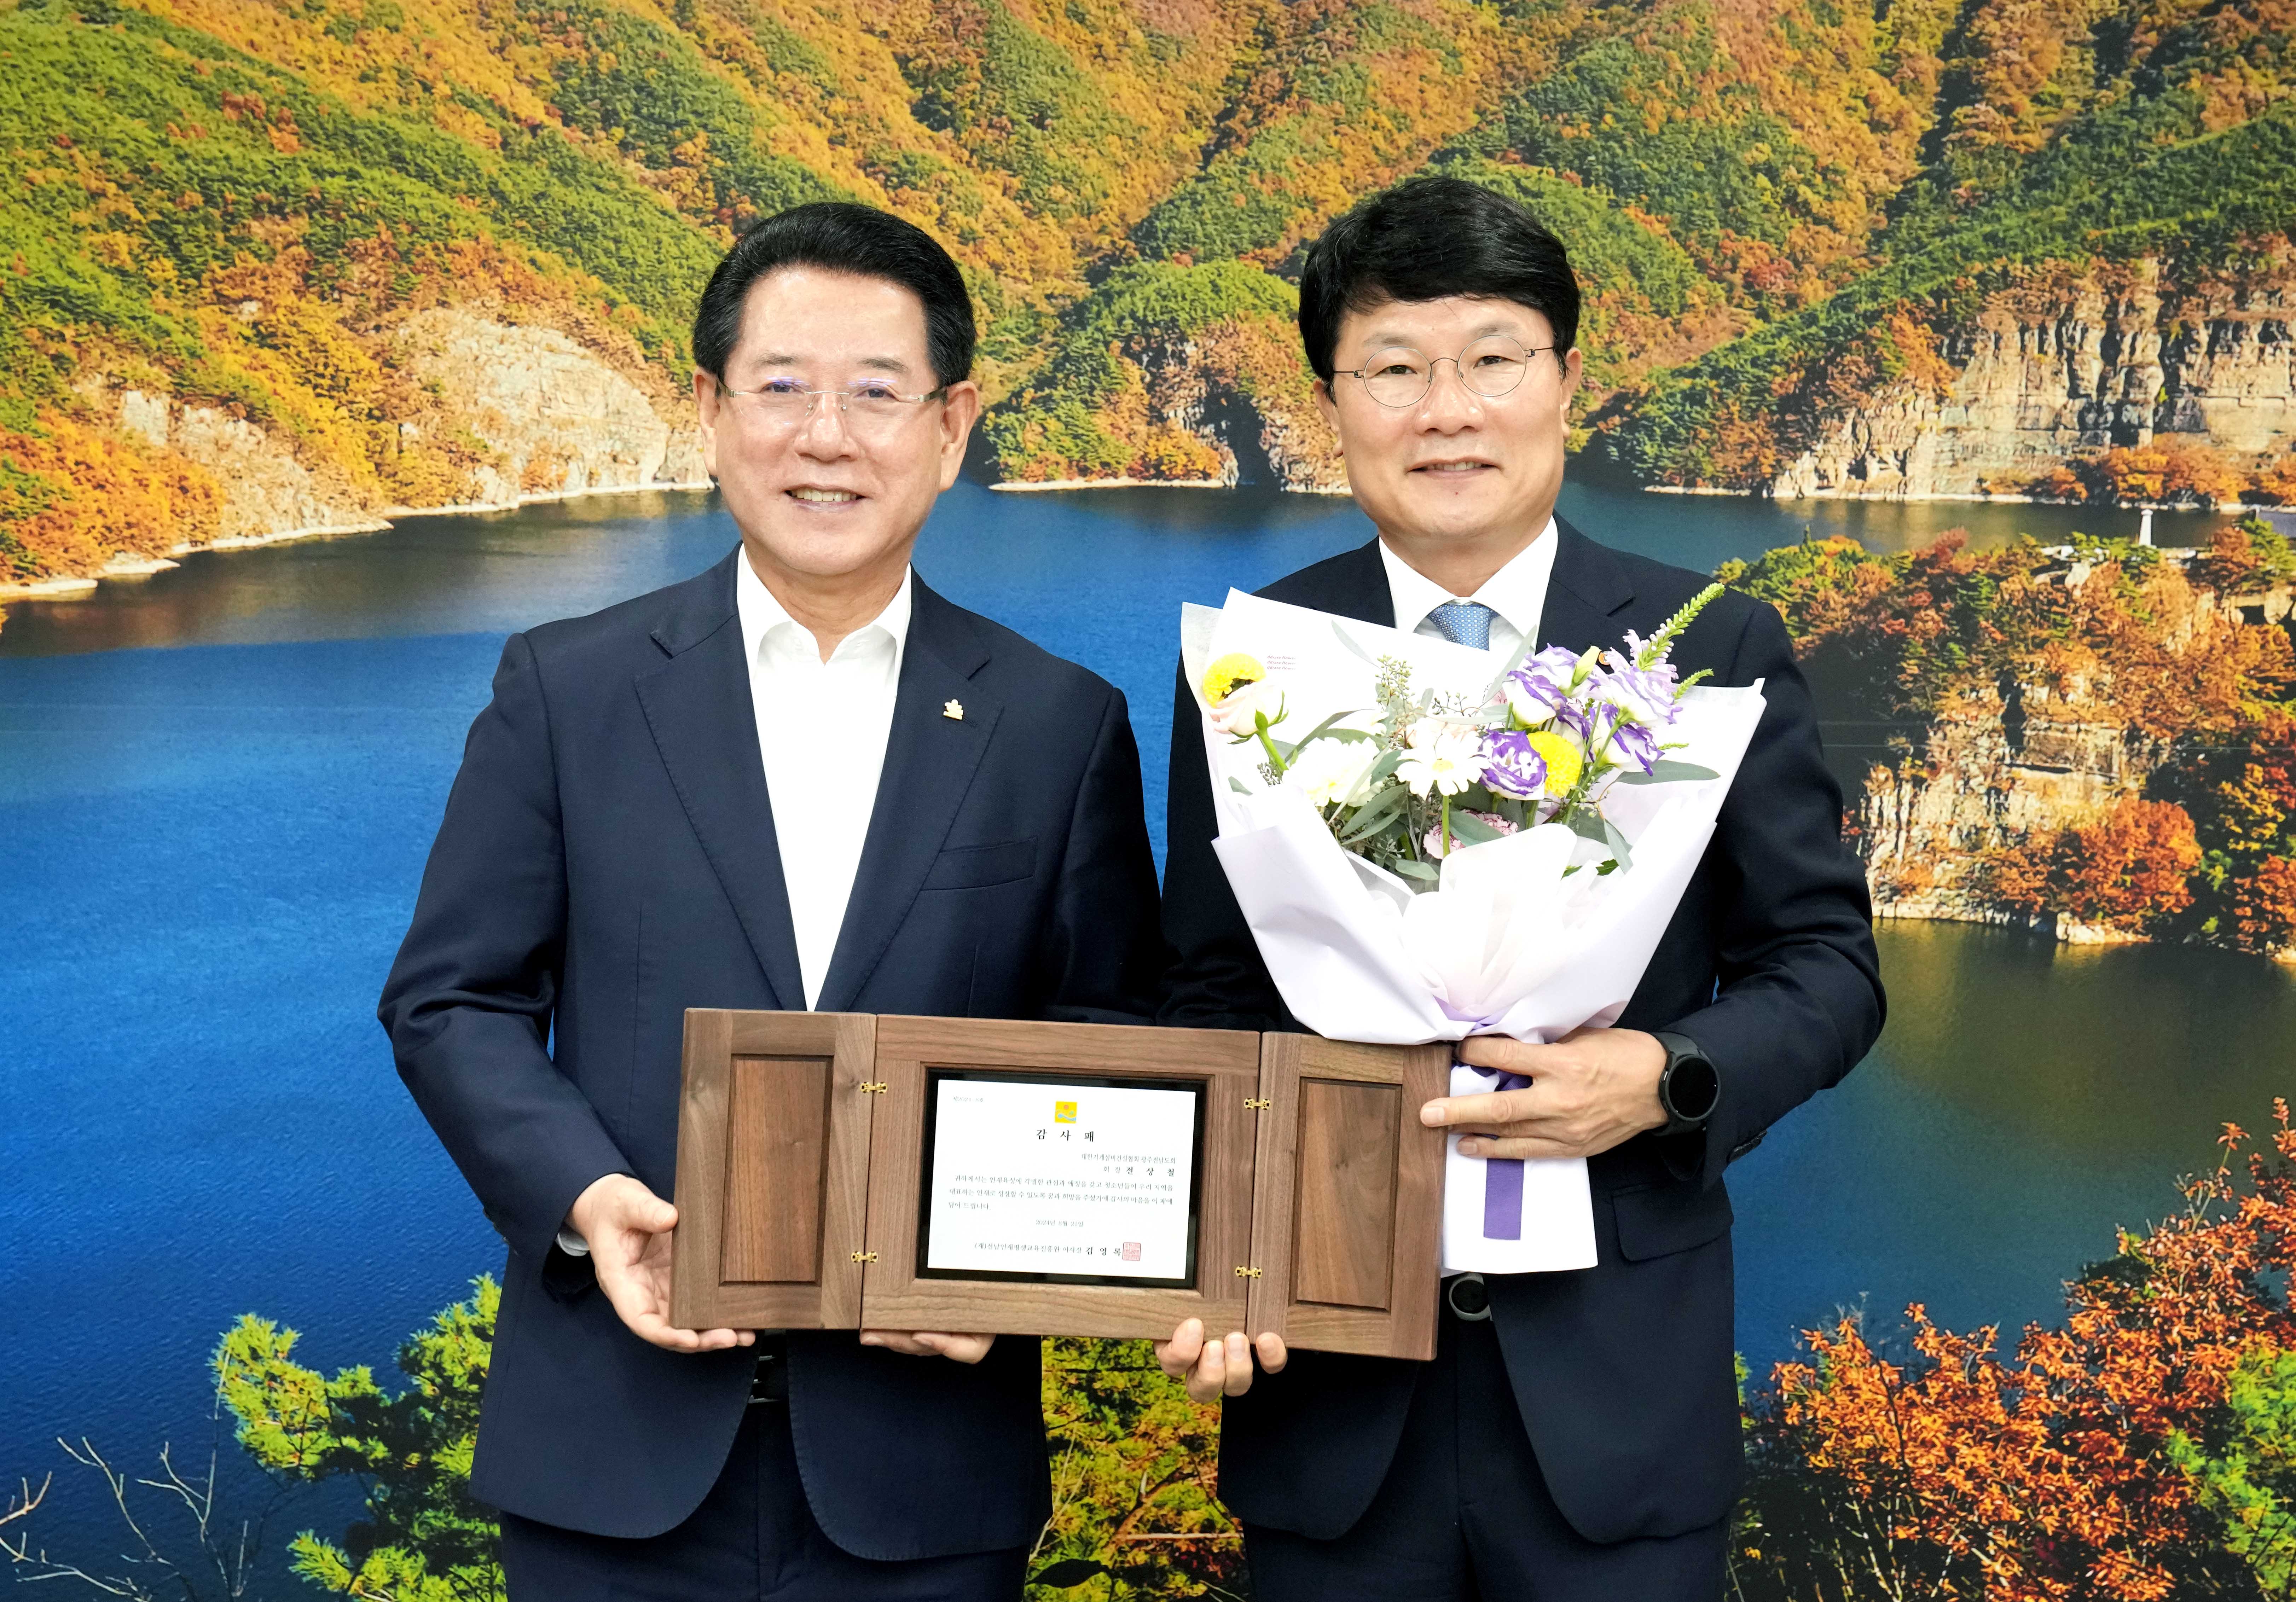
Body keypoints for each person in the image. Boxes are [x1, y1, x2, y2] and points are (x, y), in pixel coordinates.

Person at [377, 201, 1164, 1600]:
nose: (828, 436)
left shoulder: (1059, 721)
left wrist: (997, 1270)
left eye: (877, 393)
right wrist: (582, 1194)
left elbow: (1107, 1032)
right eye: (784, 387)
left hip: (925, 1479)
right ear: (711, 406)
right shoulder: (567, 685)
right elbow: (453, 998)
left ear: (952, 423)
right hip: (608, 1458)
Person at [1156, 176, 1885, 1598]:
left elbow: (1826, 967)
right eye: (1393, 369)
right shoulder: (1250, 660)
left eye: (1493, 358)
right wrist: (1211, 1253)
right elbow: (1205, 992)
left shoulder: (1707, 646)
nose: (1447, 409)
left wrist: (1669, 1073)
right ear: (1334, 399)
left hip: (1619, 1410)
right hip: (1332, 1402)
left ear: (1566, 382)